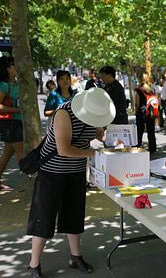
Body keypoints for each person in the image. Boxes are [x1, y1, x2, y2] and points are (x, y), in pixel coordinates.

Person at [27, 87, 115, 278]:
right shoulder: (63, 113)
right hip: (52, 172)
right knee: (44, 216)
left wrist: (114, 138)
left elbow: (100, 133)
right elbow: (63, 149)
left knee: (74, 215)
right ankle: (34, 264)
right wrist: (96, 153)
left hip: (75, 172)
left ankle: (76, 257)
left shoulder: (94, 115)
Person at [0, 56, 23, 191]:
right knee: (22, 153)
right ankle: (31, 184)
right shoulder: (3, 85)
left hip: (16, 122)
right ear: (8, 69)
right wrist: (18, 109)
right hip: (10, 123)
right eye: (15, 65)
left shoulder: (15, 83)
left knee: (6, 155)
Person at [134, 72, 156, 153]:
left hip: (141, 112)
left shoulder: (138, 89)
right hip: (150, 112)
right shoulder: (152, 89)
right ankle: (153, 148)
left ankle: (137, 146)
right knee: (151, 131)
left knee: (139, 131)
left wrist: (135, 112)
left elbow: (137, 103)